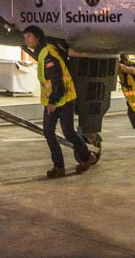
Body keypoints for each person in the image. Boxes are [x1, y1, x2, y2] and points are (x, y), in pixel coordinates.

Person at [21, 26, 97, 178]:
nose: (26, 40)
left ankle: (88, 157)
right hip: (54, 99)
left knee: (68, 132)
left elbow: (58, 81)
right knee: (48, 132)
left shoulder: (48, 54)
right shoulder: (43, 51)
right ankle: (59, 167)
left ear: (37, 37)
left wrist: (53, 102)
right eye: (25, 37)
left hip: (64, 98)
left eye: (29, 36)